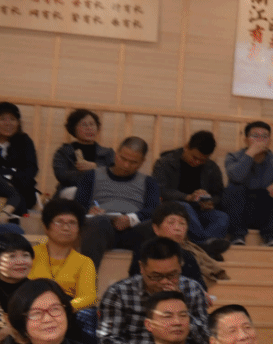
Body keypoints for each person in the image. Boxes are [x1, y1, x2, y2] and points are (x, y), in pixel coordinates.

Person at [100, 237, 212, 344]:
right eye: (156, 276)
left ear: (180, 266)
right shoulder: (119, 293)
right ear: (142, 268)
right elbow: (107, 340)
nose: (164, 281)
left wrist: (181, 306)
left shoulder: (192, 289)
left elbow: (207, 340)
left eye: (171, 275)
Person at [75, 136, 158, 267]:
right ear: (116, 154)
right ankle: (87, 277)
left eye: (133, 162)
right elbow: (77, 207)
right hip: (101, 227)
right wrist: (89, 213)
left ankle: (138, 276)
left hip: (134, 229)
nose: (126, 165)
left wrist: (131, 219)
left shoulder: (149, 182)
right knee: (98, 222)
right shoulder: (92, 176)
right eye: (123, 159)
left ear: (142, 162)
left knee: (153, 227)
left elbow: (154, 210)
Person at [150, 130, 232, 253]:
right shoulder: (165, 162)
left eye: (202, 160)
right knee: (185, 206)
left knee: (222, 217)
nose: (197, 162)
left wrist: (210, 202)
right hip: (174, 210)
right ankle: (204, 246)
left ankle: (202, 247)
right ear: (186, 147)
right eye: (194, 157)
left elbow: (219, 194)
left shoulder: (211, 167)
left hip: (200, 210)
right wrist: (187, 197)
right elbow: (160, 189)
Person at [221, 121, 273, 247]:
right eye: (255, 136)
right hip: (240, 212)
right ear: (246, 140)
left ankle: (270, 236)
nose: (260, 140)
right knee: (233, 188)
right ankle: (237, 236)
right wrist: (250, 153)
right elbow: (236, 176)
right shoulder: (233, 157)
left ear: (270, 141)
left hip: (264, 211)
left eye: (264, 136)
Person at [30, 198, 97, 312]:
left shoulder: (84, 262)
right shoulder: (31, 254)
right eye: (59, 222)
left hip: (66, 313)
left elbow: (88, 297)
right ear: (46, 227)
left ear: (79, 230)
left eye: (72, 223)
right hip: (32, 310)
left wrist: (60, 309)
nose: (66, 228)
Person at [129, 202, 217, 288]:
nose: (177, 228)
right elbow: (136, 283)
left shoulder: (188, 256)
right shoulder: (143, 252)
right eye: (171, 223)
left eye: (182, 223)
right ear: (156, 228)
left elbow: (200, 286)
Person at [0, 102, 40, 214]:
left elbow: (31, 169)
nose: (8, 123)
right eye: (2, 119)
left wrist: (8, 179)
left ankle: (11, 222)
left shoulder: (25, 141)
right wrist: (10, 173)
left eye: (13, 119)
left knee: (17, 201)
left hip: (21, 189)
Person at [0, 234, 34, 344]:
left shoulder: (42, 291)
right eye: (12, 256)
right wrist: (4, 333)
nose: (21, 262)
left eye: (25, 255)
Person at [52, 108, 114, 195]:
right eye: (84, 125)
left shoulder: (108, 152)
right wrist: (88, 174)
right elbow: (62, 176)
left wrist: (96, 167)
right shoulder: (64, 152)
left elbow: (115, 173)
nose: (89, 128)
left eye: (92, 124)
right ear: (73, 128)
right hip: (71, 192)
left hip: (100, 193)